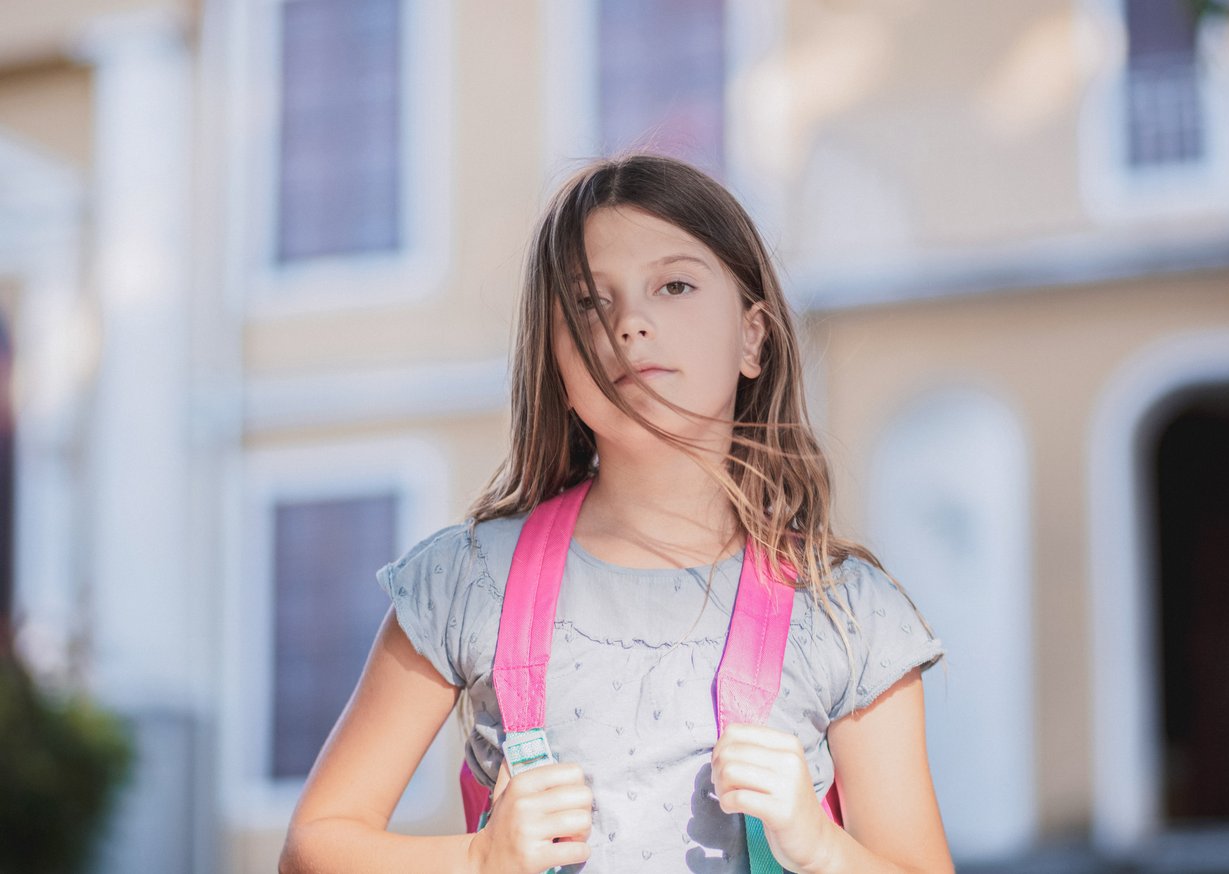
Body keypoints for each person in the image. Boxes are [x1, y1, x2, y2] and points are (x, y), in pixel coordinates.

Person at [280, 152, 953, 874]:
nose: (631, 323)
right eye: (591, 304)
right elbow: (314, 847)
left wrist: (820, 848)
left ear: (754, 337)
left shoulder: (848, 613)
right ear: (558, 361)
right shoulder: (463, 583)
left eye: (675, 285)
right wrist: (479, 859)